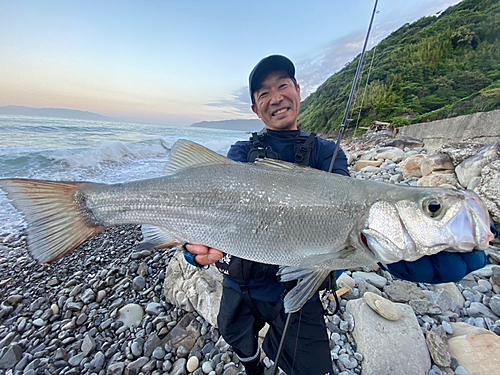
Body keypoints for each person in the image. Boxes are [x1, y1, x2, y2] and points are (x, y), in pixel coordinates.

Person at [183, 55, 489, 375]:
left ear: (298, 90)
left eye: (283, 85)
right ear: (254, 108)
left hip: (300, 289)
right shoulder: (242, 153)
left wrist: (384, 251)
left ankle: (274, 346)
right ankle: (253, 366)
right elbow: (213, 202)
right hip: (241, 283)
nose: (275, 97)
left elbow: (347, 208)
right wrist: (190, 247)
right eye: (263, 93)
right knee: (236, 337)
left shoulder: (326, 153)